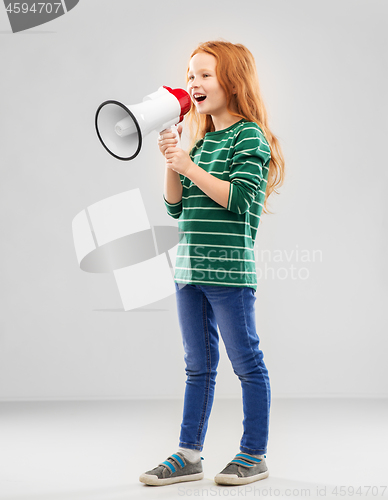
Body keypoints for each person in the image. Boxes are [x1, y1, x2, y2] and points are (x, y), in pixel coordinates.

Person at [139, 40, 285, 487]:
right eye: (190, 75)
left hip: (227, 273)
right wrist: (173, 157)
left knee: (247, 364)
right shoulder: (200, 142)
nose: (193, 83)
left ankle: (253, 454)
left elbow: (241, 201)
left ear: (233, 81)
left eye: (204, 74)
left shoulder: (248, 135)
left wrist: (187, 165)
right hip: (189, 271)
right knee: (197, 366)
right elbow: (175, 209)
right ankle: (189, 454)